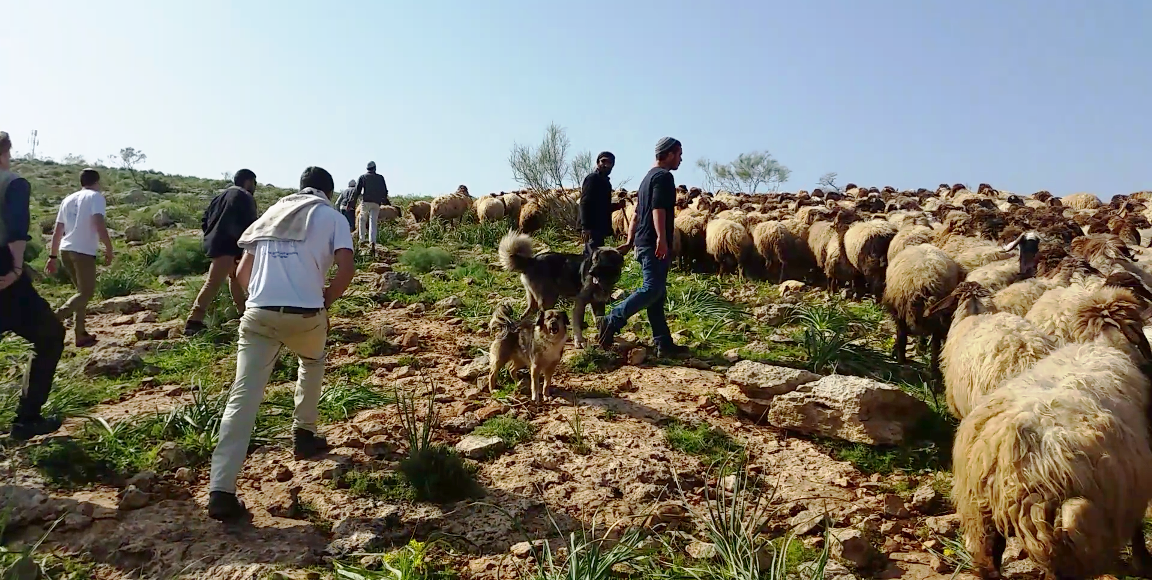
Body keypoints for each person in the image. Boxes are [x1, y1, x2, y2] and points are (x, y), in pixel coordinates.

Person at [207, 165, 355, 522]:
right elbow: (346, 269)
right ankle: (304, 433)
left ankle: (221, 489)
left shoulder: (272, 213)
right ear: (328, 192)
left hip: (259, 314)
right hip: (306, 315)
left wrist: (252, 306)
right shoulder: (332, 217)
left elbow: (241, 274)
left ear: (300, 188)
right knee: (312, 361)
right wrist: (325, 301)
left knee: (243, 397)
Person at [0, 131, 66, 440]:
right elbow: (16, 229)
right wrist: (15, 268)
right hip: (4, 274)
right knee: (50, 335)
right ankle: (27, 420)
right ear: (5, 152)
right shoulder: (12, 183)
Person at [596, 137, 688, 359]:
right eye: (679, 154)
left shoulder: (647, 178)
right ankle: (612, 320)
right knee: (651, 289)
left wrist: (630, 240)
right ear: (668, 154)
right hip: (653, 242)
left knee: (657, 293)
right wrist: (662, 239)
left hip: (643, 241)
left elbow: (637, 212)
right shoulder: (664, 177)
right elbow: (658, 209)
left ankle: (663, 342)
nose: (681, 159)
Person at [184, 169, 259, 336]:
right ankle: (194, 320)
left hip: (218, 243)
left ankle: (243, 312)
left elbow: (205, 219)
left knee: (235, 277)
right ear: (248, 181)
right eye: (254, 183)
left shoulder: (220, 197)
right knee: (213, 281)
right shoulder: (245, 197)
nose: (255, 187)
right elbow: (251, 226)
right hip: (229, 244)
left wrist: (212, 236)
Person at [45, 168, 113, 347]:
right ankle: (53, 318)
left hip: (65, 250)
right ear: (97, 182)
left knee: (80, 293)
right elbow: (99, 222)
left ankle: (80, 333)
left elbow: (58, 230)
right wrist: (109, 247)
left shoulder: (68, 199)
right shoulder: (96, 197)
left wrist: (52, 256)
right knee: (86, 293)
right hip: (82, 251)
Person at [579, 151, 615, 259]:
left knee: (595, 256)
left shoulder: (605, 182)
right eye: (603, 161)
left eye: (609, 162)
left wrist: (616, 206)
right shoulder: (593, 179)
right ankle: (584, 275)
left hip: (599, 227)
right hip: (592, 227)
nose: (606, 165)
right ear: (597, 163)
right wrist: (585, 227)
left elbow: (602, 206)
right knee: (591, 256)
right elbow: (585, 202)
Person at [351, 161, 389, 256]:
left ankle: (362, 239)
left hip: (366, 201)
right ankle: (373, 241)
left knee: (362, 219)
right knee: (373, 222)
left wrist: (351, 203)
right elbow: (384, 190)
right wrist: (383, 199)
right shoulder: (380, 178)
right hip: (376, 203)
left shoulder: (363, 177)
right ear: (375, 168)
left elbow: (357, 191)